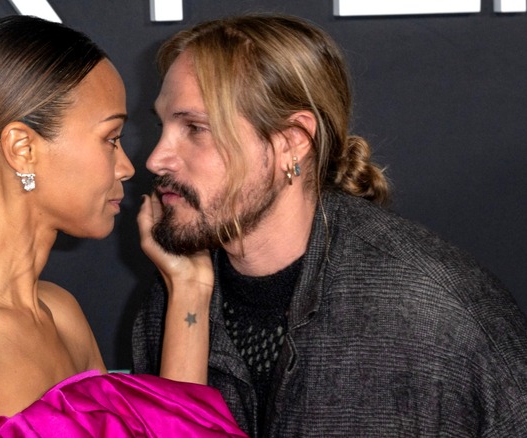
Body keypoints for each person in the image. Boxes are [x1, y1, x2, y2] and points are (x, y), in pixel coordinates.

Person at [0, 15, 245, 437]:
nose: (127, 167)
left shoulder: (60, 315)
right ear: (23, 149)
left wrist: (188, 287)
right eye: (111, 138)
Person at [132, 13, 527, 437]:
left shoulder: (433, 315)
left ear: (292, 142)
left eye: (195, 128)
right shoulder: (174, 297)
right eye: (162, 125)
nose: (156, 159)